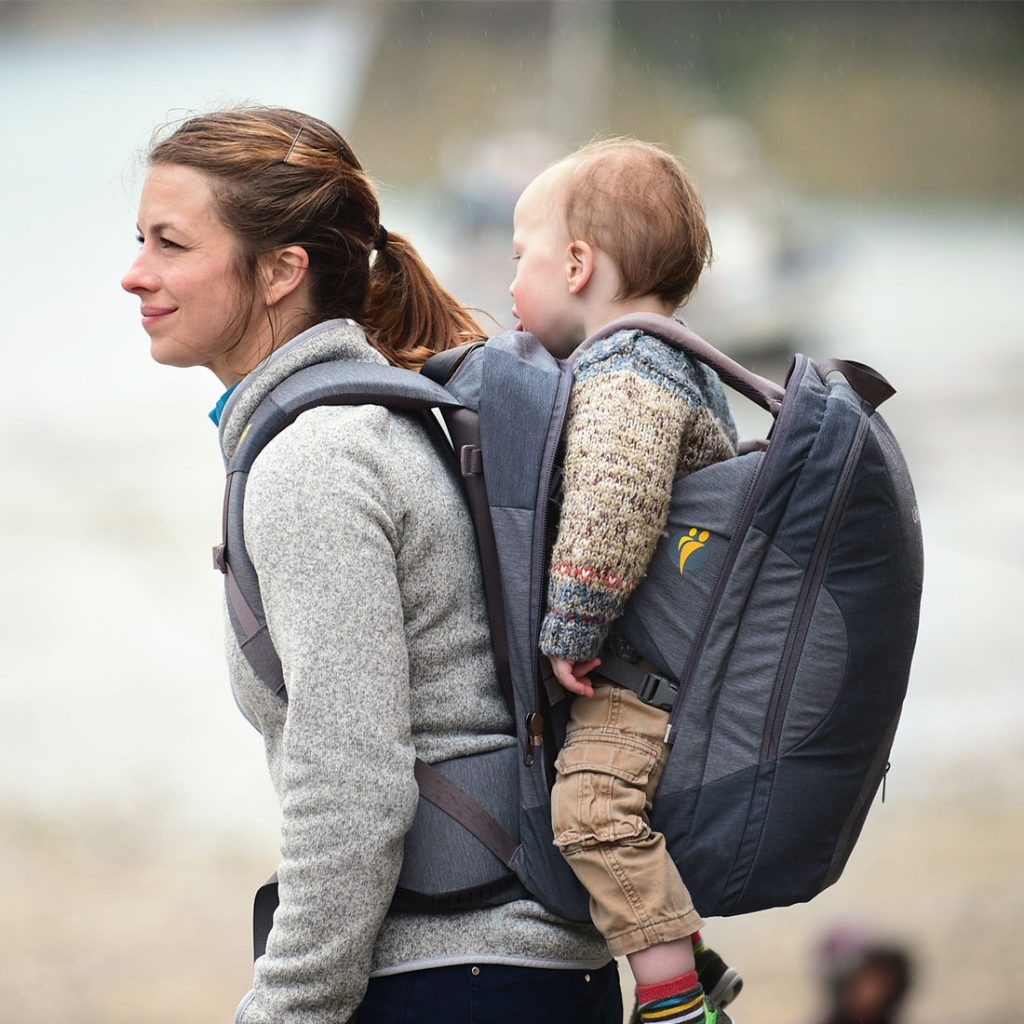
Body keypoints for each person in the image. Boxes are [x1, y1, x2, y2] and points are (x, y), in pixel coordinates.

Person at [121, 106, 619, 1024]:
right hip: (540, 971)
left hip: (454, 982)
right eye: (139, 240)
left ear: (281, 270)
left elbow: (349, 786)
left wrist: (286, 1009)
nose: (135, 273)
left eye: (169, 243)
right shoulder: (398, 419)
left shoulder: (314, 460)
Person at [509, 138, 741, 1023]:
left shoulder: (627, 370)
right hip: (682, 654)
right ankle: (693, 955)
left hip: (646, 672)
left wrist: (570, 630)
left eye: (520, 257)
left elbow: (616, 502)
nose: (512, 281)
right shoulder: (679, 355)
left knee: (591, 811)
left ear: (577, 264)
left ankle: (677, 1002)